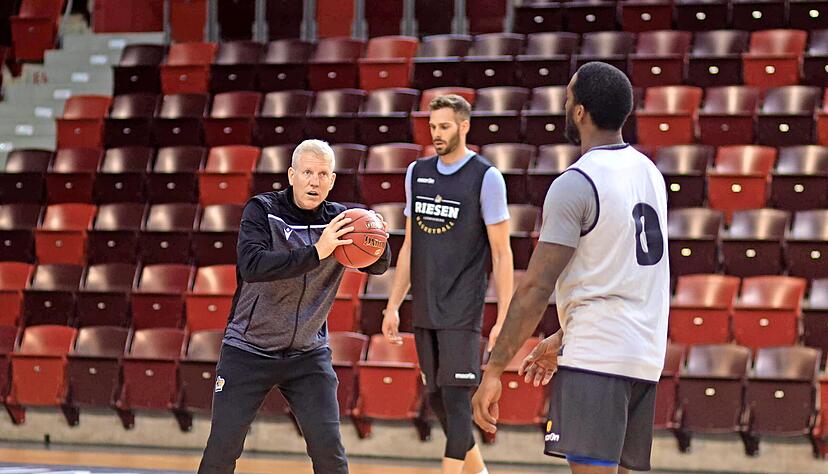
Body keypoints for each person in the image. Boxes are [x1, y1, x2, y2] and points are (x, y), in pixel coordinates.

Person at [472, 61, 670, 474]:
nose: (566, 105)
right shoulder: (650, 173)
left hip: (598, 361)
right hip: (644, 357)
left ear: (579, 112)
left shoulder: (577, 182)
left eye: (568, 98)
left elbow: (535, 288)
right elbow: (627, 278)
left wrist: (494, 369)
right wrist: (564, 335)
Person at [198, 139, 391, 474]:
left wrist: (378, 238)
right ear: (292, 175)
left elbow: (377, 266)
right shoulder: (262, 210)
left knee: (329, 450)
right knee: (223, 447)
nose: (314, 181)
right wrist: (319, 250)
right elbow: (253, 266)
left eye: (322, 174)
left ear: (332, 180)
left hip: (307, 354)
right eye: (307, 173)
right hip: (248, 349)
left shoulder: (342, 221)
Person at [382, 94, 514, 474]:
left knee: (457, 403)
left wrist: (504, 315)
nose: (436, 134)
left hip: (462, 307)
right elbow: (409, 245)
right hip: (426, 304)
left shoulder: (486, 178)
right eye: (432, 126)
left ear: (463, 125)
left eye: (444, 126)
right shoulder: (417, 172)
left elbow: (503, 254)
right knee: (437, 398)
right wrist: (393, 304)